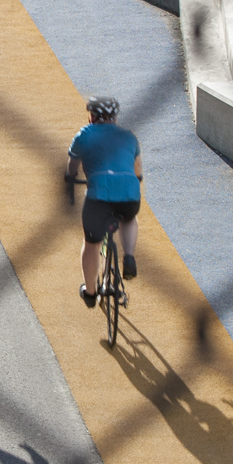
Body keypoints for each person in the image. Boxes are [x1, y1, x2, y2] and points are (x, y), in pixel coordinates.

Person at [66, 96, 142, 307]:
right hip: (128, 194)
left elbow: (72, 166)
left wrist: (70, 179)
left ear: (91, 115)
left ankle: (90, 293)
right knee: (129, 218)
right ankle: (128, 256)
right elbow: (138, 170)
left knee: (91, 244)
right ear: (115, 116)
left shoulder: (84, 135)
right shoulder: (129, 137)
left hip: (98, 198)